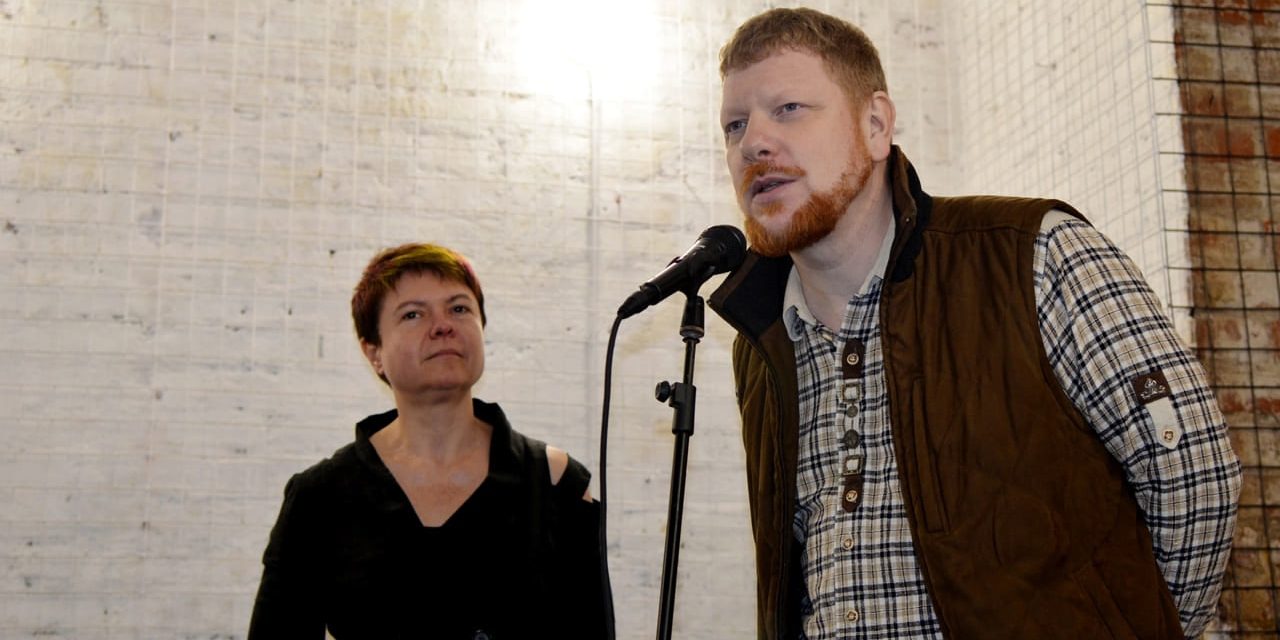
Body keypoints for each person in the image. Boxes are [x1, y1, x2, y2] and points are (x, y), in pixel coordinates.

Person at [706, 8, 1241, 639]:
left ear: (875, 125)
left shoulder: (1035, 253)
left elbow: (1196, 481)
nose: (753, 142)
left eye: (789, 108)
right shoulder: (761, 341)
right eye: (735, 125)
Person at [248, 243, 614, 639]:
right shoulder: (320, 496)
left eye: (459, 308)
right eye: (413, 314)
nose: (443, 326)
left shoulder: (554, 481)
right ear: (374, 352)